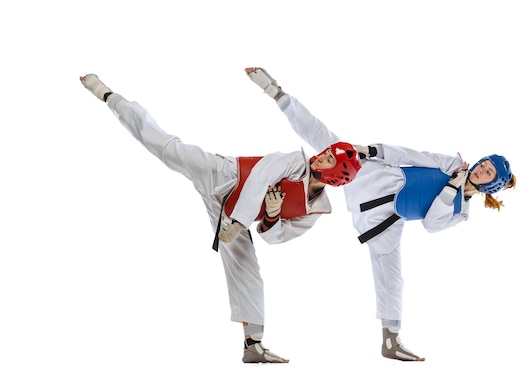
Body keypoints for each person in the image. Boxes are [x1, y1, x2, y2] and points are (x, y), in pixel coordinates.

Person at [79, 73, 362, 364]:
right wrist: (240, 222)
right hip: (223, 175)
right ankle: (109, 96)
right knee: (166, 148)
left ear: (335, 178)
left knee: (247, 269)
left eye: (328, 160)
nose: (320, 157)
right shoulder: (294, 161)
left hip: (228, 216)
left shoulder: (314, 209)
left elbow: (274, 237)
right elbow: (261, 176)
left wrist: (273, 216)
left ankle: (253, 346)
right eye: (325, 153)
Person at [245, 67, 517, 362]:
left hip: (385, 219)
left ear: (492, 185)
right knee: (327, 141)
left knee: (391, 275)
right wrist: (372, 150)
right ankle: (276, 92)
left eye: (488, 171)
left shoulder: (461, 211)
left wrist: (451, 189)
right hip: (380, 179)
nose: (481, 168)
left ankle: (391, 340)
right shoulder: (454, 163)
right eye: (485, 163)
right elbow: (414, 156)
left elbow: (431, 224)